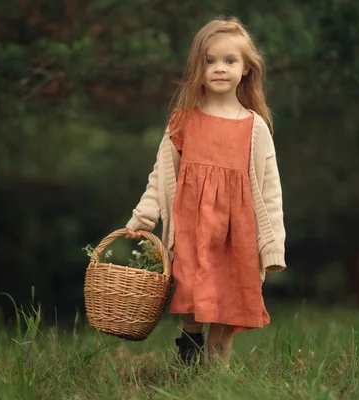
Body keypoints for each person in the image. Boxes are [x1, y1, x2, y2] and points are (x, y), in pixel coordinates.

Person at [125, 15, 286, 368]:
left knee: (229, 301)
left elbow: (270, 190)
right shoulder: (183, 120)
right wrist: (143, 216)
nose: (219, 69)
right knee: (194, 299)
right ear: (198, 67)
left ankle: (219, 373)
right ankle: (191, 354)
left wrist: (272, 244)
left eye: (230, 61)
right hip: (193, 231)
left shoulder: (255, 127)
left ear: (246, 69)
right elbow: (162, 176)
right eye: (209, 61)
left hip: (236, 235)